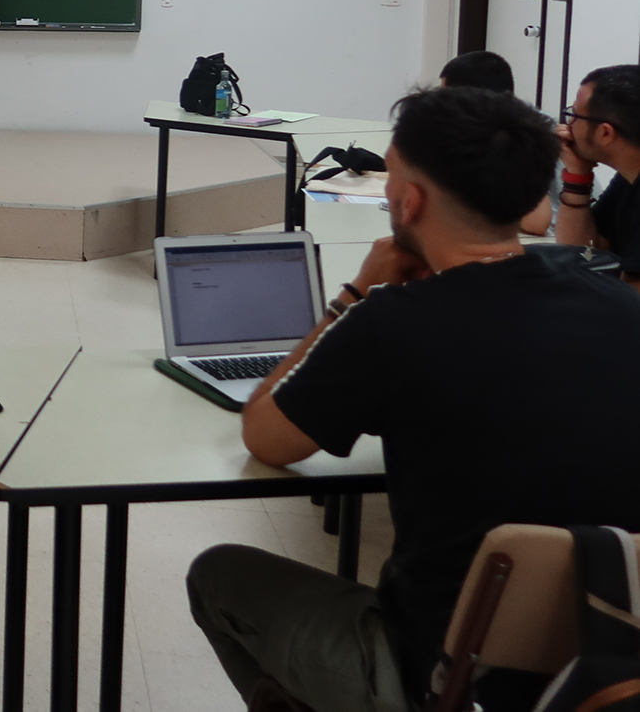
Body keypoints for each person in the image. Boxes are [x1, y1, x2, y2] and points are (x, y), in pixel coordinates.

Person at [186, 86, 640, 712]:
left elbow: (266, 436)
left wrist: (353, 296)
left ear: (410, 199)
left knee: (217, 576)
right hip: (606, 665)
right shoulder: (623, 306)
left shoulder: (395, 323)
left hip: (446, 679)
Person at [436, 50, 552, 236]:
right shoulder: (487, 124)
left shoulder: (519, 130)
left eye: (446, 97)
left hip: (555, 239)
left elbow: (536, 223)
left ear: (470, 99)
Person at [555, 63, 640, 288]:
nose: (568, 125)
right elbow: (583, 252)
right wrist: (577, 175)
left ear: (605, 133)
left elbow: (631, 301)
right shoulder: (628, 178)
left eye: (574, 115)